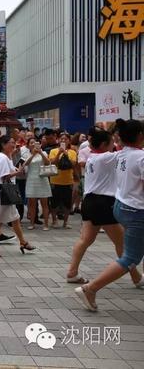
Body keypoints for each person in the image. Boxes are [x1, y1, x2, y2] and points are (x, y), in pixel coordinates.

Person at [76, 119, 144, 311]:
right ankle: (90, 288)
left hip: (121, 206)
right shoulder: (138, 157)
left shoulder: (122, 155)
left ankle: (137, 277)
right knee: (129, 257)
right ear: (140, 136)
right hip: (135, 210)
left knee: (126, 249)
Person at [0, 135, 36, 258]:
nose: (14, 145)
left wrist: (17, 169)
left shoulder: (6, 157)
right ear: (3, 145)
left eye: (14, 142)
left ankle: (23, 242)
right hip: (3, 194)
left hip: (7, 193)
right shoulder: (2, 158)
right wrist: (17, 172)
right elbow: (5, 176)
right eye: (11, 142)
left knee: (15, 219)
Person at [48, 133, 77, 228]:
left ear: (69, 141)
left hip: (68, 181)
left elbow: (73, 164)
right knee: (54, 202)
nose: (63, 141)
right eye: (61, 139)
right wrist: (59, 153)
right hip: (55, 180)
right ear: (58, 140)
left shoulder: (72, 152)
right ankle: (54, 221)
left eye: (65, 139)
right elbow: (52, 163)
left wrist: (66, 153)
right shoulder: (53, 151)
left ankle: (65, 222)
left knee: (67, 203)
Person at [24, 137, 52, 230]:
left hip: (42, 179)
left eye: (35, 143)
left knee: (44, 203)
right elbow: (26, 164)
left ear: (39, 145)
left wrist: (40, 153)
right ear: (28, 145)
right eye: (31, 143)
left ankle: (46, 224)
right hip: (31, 179)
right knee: (32, 203)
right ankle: (32, 223)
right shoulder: (27, 154)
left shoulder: (43, 153)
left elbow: (48, 163)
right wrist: (33, 154)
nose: (33, 144)